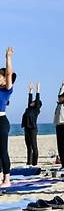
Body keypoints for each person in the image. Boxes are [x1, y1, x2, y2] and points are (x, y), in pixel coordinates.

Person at [0, 47, 15, 187]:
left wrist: (8, 58)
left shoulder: (6, 91)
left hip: (2, 122)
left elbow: (9, 73)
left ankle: (7, 179)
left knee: (3, 150)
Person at [21, 81, 41, 167]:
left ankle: (34, 163)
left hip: (33, 129)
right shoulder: (29, 108)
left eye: (34, 101)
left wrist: (38, 90)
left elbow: (37, 99)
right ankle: (28, 162)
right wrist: (30, 91)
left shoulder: (36, 110)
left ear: (37, 104)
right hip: (26, 129)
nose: (32, 102)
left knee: (34, 146)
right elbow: (29, 99)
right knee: (28, 147)